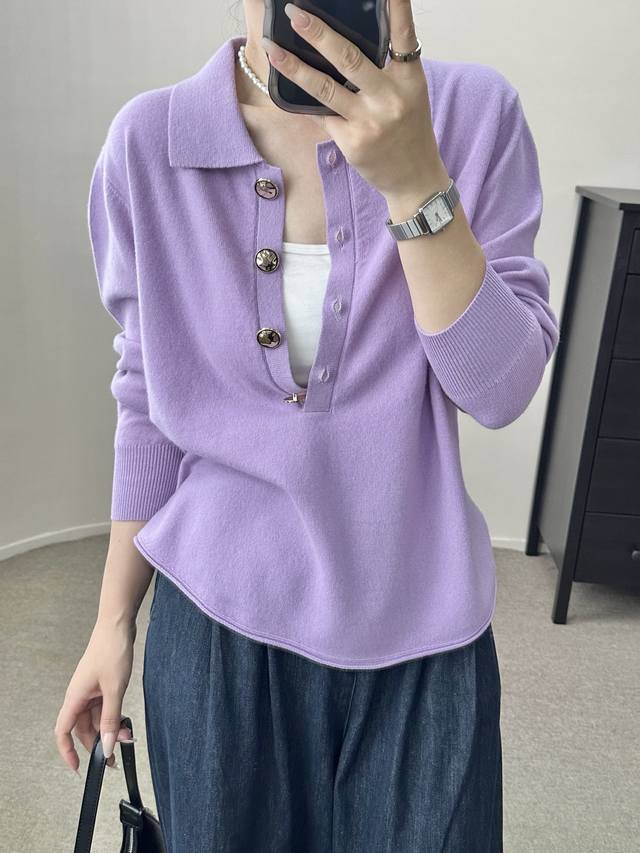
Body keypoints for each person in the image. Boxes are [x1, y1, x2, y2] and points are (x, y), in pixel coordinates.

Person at [55, 1, 560, 850]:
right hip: (215, 632)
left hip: (424, 632)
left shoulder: (473, 117)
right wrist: (113, 622)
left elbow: (501, 389)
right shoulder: (151, 143)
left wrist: (415, 183)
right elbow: (148, 399)